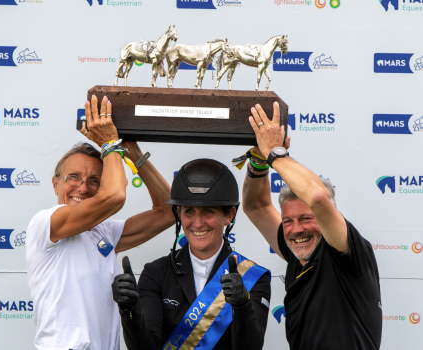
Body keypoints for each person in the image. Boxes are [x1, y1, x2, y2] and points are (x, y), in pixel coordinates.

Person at [26, 95, 174, 350]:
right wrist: (108, 143)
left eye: (95, 180)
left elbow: (169, 210)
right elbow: (115, 195)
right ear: (55, 184)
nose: (83, 188)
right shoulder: (45, 222)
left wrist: (133, 152)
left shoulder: (105, 231)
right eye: (73, 177)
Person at [242, 102, 382, 350]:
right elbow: (257, 207)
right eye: (288, 221)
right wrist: (259, 160)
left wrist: (275, 152)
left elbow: (317, 197)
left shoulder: (343, 252)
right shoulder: (298, 255)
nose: (296, 230)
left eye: (306, 218)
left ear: (328, 216)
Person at [112, 159, 271, 350]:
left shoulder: (252, 277)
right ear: (178, 213)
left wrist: (242, 305)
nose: (197, 223)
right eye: (189, 211)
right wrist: (129, 310)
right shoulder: (155, 273)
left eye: (208, 212)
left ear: (229, 215)